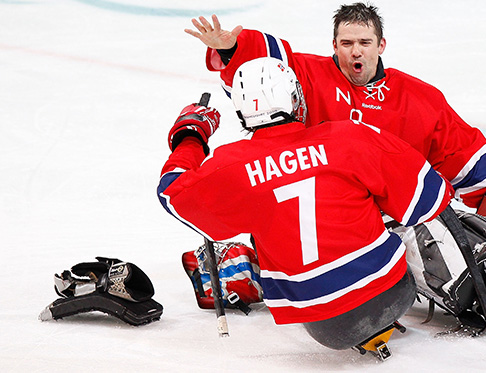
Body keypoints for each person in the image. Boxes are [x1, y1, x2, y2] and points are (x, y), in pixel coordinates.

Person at [158, 57, 453, 350]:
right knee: (400, 221)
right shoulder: (349, 135)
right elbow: (431, 199)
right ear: (295, 98)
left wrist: (191, 137)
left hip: (326, 326)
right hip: (393, 293)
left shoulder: (229, 166)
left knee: (264, 219)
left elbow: (171, 192)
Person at [186, 3, 486, 209]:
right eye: (347, 43)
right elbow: (263, 74)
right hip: (326, 213)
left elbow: (463, 154)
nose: (356, 52)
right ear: (335, 45)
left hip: (402, 216)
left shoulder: (419, 96)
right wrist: (232, 50)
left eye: (365, 43)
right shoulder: (307, 75)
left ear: (381, 45)